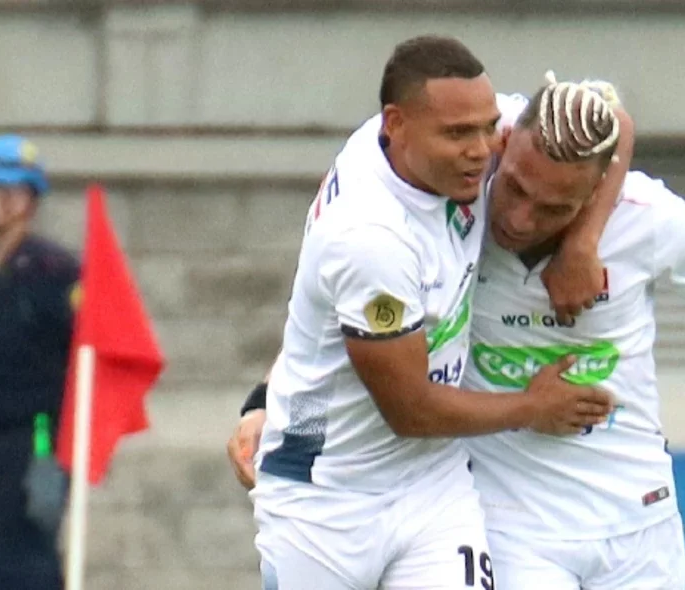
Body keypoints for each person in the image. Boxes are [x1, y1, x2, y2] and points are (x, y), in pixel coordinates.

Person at [233, 78, 685, 589]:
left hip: (640, 516)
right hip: (508, 522)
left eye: (553, 208)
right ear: (505, 145)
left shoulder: (651, 219)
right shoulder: (456, 195)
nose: (517, 218)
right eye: (514, 188)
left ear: (595, 194)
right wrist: (270, 401)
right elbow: (348, 304)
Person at [248, 36, 631, 590]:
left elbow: (613, 122)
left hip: (430, 484)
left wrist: (582, 243)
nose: (483, 149)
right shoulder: (371, 235)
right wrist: (532, 406)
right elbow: (411, 410)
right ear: (396, 124)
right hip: (326, 492)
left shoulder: (458, 140)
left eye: (487, 126)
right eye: (459, 135)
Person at [0, 134, 77, 590]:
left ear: (20, 200)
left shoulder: (53, 272)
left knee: (24, 561)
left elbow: (82, 355)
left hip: (35, 442)